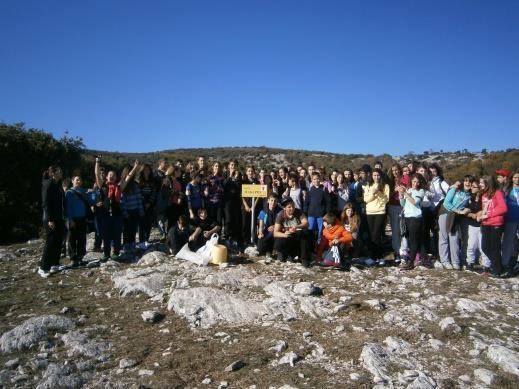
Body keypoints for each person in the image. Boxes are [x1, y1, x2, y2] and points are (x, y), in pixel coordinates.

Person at [437, 178, 471, 270]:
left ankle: (455, 261)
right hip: (445, 213)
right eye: (466, 180)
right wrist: (458, 211)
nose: (467, 183)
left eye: (470, 181)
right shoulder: (455, 189)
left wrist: (467, 210)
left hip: (455, 216)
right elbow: (446, 202)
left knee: (454, 237)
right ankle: (445, 261)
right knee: (443, 237)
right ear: (462, 182)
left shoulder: (469, 195)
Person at [479, 175, 508, 277]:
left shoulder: (498, 193)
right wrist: (481, 215)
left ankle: (497, 271)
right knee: (485, 247)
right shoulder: (484, 195)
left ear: (488, 183)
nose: (480, 184)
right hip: (486, 223)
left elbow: (503, 208)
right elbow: (485, 209)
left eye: (482, 183)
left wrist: (489, 214)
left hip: (496, 224)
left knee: (494, 248)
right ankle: (499, 267)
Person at [95, 157, 123, 261]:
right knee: (106, 236)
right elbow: (97, 174)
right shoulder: (102, 186)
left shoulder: (118, 187)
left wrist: (135, 168)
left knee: (117, 235)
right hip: (105, 215)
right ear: (106, 177)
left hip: (117, 214)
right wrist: (97, 162)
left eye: (114, 175)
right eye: (110, 175)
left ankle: (116, 253)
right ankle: (106, 254)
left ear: (116, 177)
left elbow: (127, 178)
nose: (111, 176)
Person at [39, 166, 65, 277]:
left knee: (58, 240)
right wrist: (50, 219)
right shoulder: (48, 184)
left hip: (59, 217)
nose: (61, 173)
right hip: (50, 218)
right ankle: (43, 267)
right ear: (53, 173)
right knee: (50, 242)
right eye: (59, 171)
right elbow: (45, 203)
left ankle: (55, 263)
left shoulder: (58, 185)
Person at [398, 174, 426, 270]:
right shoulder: (409, 190)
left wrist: (405, 193)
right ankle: (422, 258)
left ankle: (411, 262)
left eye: (418, 182)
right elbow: (403, 204)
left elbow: (414, 202)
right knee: (411, 239)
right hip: (407, 216)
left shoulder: (421, 191)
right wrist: (401, 194)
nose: (416, 184)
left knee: (413, 241)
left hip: (416, 217)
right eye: (414, 181)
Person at [462, 178, 490, 271]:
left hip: (483, 225)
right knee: (471, 245)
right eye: (471, 186)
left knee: (483, 246)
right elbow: (466, 211)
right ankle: (470, 263)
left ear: (479, 188)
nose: (472, 188)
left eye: (474, 187)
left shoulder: (484, 197)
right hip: (472, 224)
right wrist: (472, 214)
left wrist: (479, 213)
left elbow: (487, 208)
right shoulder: (470, 197)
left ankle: (486, 265)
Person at [363, 168, 390, 265]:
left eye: (378, 175)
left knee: (376, 235)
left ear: (381, 176)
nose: (376, 177)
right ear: (372, 176)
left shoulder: (385, 186)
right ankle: (375, 257)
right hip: (370, 212)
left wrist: (378, 192)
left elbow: (386, 200)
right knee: (372, 236)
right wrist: (373, 194)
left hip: (380, 212)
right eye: (374, 175)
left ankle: (378, 257)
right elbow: (366, 199)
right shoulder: (368, 185)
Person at [273, 198, 311, 266]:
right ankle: (282, 253)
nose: (292, 208)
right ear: (284, 208)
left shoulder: (299, 212)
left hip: (297, 236)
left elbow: (306, 223)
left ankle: (304, 258)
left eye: (293, 206)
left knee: (305, 232)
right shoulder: (281, 215)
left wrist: (296, 227)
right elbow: (275, 233)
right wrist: (285, 234)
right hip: (286, 237)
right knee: (279, 240)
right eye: (289, 207)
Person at [65, 175, 92, 266]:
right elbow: (67, 207)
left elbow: (91, 201)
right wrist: (69, 219)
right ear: (72, 181)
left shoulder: (84, 192)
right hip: (73, 219)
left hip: (82, 218)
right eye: (77, 180)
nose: (78, 181)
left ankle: (80, 257)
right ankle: (73, 258)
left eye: (80, 180)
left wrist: (93, 192)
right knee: (72, 239)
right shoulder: (69, 193)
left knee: (82, 239)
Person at [120, 161, 145, 259]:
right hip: (127, 211)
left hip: (135, 210)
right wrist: (125, 212)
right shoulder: (122, 184)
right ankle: (126, 247)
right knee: (127, 230)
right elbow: (122, 200)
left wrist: (141, 210)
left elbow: (139, 198)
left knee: (134, 229)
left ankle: (132, 245)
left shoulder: (135, 184)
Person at [304, 172, 330, 247]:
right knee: (310, 229)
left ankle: (319, 247)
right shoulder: (310, 190)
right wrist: (305, 213)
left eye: (318, 179)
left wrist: (327, 213)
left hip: (321, 215)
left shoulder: (324, 189)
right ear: (312, 180)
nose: (316, 180)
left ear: (320, 179)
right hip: (311, 214)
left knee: (320, 232)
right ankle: (311, 246)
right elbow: (306, 202)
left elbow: (328, 202)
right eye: (314, 179)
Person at [223, 160, 243, 249]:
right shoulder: (225, 174)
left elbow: (240, 188)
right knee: (228, 220)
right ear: (228, 166)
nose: (233, 166)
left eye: (235, 165)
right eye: (231, 165)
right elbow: (224, 185)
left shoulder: (239, 175)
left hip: (236, 201)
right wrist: (230, 176)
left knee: (236, 220)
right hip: (227, 201)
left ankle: (234, 239)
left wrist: (236, 178)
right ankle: (227, 238)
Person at [502, 170, 519, 273]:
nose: (517, 179)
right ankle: (505, 263)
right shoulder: (506, 190)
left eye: (518, 177)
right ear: (511, 178)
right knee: (508, 242)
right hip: (510, 219)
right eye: (515, 177)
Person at [257, 194, 283, 258]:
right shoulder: (263, 212)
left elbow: (283, 223)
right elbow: (261, 226)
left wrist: (274, 226)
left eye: (275, 201)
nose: (273, 202)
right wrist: (260, 233)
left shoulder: (280, 211)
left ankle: (270, 251)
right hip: (266, 231)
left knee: (272, 234)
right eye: (271, 200)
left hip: (277, 230)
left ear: (277, 202)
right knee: (260, 248)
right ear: (268, 201)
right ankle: (265, 250)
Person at [137, 164, 156, 248]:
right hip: (140, 204)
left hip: (150, 204)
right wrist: (142, 202)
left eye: (148, 170)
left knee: (148, 223)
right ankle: (141, 241)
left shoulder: (152, 181)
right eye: (145, 170)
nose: (147, 172)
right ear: (142, 171)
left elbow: (154, 193)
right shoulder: (138, 181)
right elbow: (137, 193)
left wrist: (149, 203)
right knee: (141, 224)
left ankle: (146, 240)